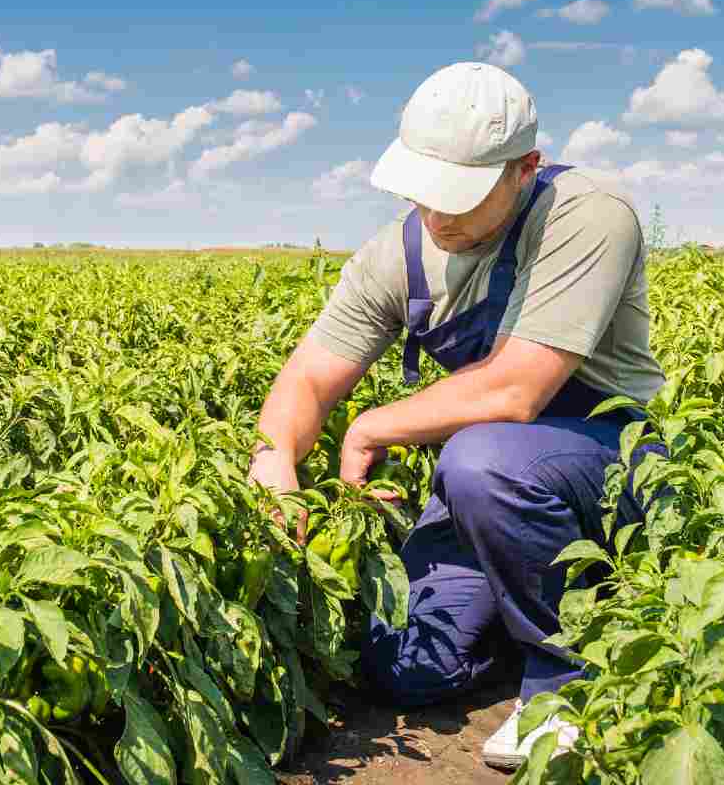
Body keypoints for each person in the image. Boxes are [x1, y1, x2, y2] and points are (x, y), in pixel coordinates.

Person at [247, 62, 666, 771]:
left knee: (481, 461)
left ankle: (570, 684)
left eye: (460, 200)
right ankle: (542, 604)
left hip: (608, 459)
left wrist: (370, 426)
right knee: (407, 666)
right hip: (498, 484)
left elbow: (518, 390)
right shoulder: (398, 256)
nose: (437, 218)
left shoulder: (586, 211)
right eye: (425, 195)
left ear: (524, 168)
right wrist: (275, 462)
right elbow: (309, 379)